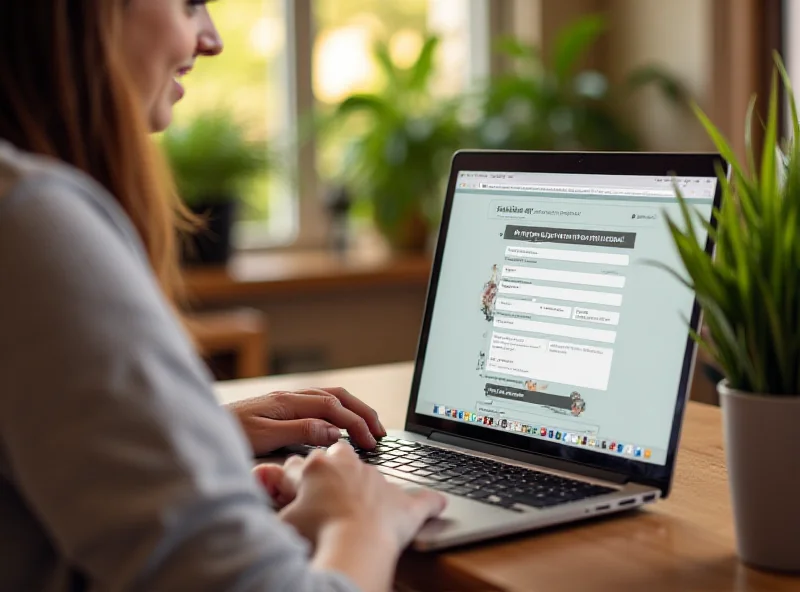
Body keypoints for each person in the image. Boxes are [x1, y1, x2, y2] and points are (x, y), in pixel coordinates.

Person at [0, 2, 446, 591]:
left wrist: (186, 436)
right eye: (189, 4)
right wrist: (361, 520)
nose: (210, 40)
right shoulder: (29, 222)